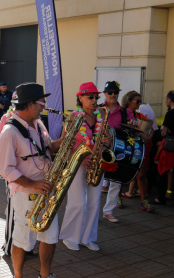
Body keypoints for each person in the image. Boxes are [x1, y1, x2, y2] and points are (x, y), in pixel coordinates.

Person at [0, 83, 69, 278]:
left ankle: (44, 277)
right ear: (29, 104)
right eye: (41, 102)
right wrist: (33, 184)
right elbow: (6, 169)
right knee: (22, 238)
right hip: (26, 192)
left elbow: (48, 148)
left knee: (49, 236)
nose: (44, 106)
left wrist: (67, 135)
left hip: (45, 189)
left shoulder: (38, 124)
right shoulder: (9, 132)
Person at [60, 83, 110, 252]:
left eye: (97, 97)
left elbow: (106, 135)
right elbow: (65, 143)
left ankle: (86, 237)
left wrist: (107, 140)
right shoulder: (74, 117)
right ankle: (69, 237)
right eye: (91, 97)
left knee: (95, 203)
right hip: (77, 163)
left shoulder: (101, 115)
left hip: (96, 163)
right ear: (80, 97)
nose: (95, 100)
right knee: (78, 202)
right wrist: (80, 161)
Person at [100, 81, 135, 222]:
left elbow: (134, 125)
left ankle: (108, 211)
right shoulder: (99, 109)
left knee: (117, 181)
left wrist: (133, 123)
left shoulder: (126, 111)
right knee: (97, 181)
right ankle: (92, 211)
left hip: (119, 149)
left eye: (116, 92)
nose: (113, 95)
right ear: (105, 94)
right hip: (102, 149)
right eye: (110, 92)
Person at [120, 91, 155, 212]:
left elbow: (152, 127)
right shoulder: (122, 114)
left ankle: (144, 201)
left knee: (141, 175)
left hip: (137, 149)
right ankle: (117, 198)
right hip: (124, 147)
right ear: (129, 101)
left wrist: (148, 137)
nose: (140, 104)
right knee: (122, 173)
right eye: (138, 101)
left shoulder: (139, 115)